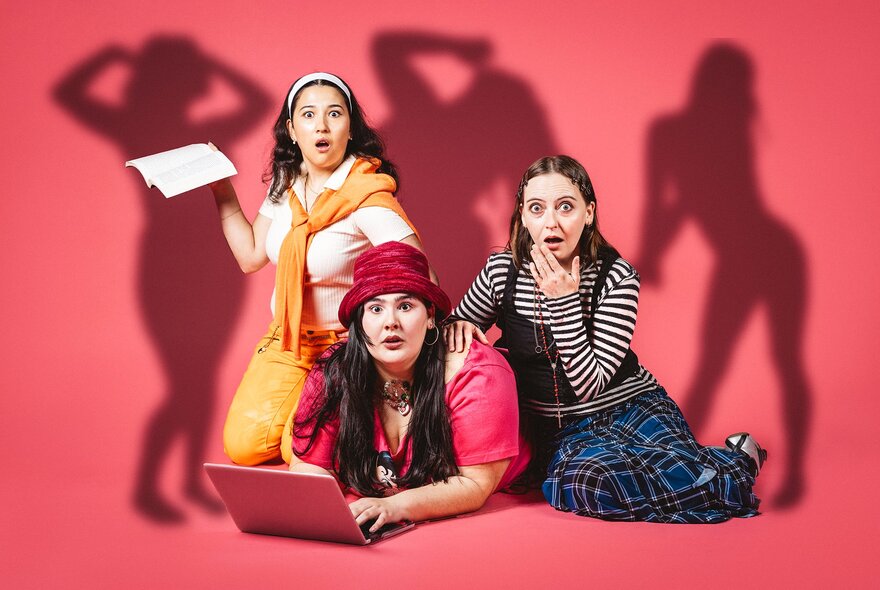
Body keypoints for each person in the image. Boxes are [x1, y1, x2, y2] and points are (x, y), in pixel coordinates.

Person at [444, 155, 765, 523]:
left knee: (662, 465)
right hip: (562, 435)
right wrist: (459, 325)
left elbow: (588, 386)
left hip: (631, 409)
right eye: (537, 208)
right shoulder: (502, 272)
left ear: (589, 213)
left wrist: (563, 302)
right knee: (589, 482)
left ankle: (730, 463)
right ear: (523, 215)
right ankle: (730, 467)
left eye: (566, 207)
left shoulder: (617, 277)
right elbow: (454, 327)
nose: (551, 222)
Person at [210, 72, 432, 466]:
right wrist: (221, 189)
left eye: (335, 113)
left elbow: (421, 275)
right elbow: (250, 256)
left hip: (346, 345)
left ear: (350, 128)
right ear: (293, 130)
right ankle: (336, 412)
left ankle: (363, 408)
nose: (322, 125)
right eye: (309, 115)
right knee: (243, 447)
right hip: (288, 339)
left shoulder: (365, 194)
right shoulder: (287, 185)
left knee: (295, 450)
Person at [290, 242, 529, 533]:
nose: (391, 322)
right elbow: (309, 466)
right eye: (375, 308)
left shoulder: (479, 373)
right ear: (359, 322)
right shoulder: (333, 370)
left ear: (431, 317)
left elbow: (474, 484)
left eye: (405, 306)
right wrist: (319, 516)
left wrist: (394, 507)